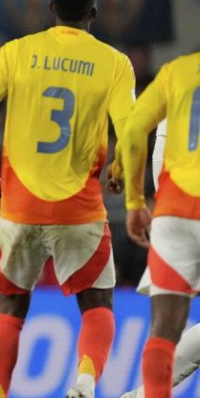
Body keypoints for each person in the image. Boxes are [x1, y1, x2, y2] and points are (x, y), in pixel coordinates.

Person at [0, 0, 135, 398]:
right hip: (80, 207)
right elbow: (131, 133)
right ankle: (85, 383)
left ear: (51, 8)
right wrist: (119, 171)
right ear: (93, 12)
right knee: (97, 302)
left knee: (12, 305)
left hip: (19, 206)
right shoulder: (114, 63)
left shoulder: (15, 52)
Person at [120, 51, 200, 397]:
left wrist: (140, 202)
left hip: (172, 210)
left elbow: (139, 128)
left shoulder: (175, 73)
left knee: (165, 330)